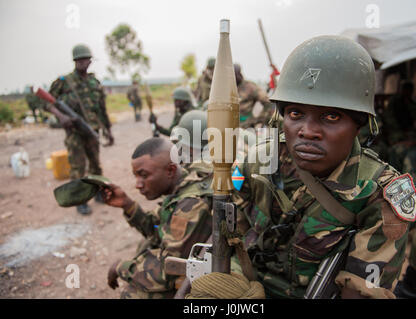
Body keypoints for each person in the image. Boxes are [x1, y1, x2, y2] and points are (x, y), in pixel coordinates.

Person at [189, 35, 416, 299]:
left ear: (360, 125)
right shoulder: (259, 161)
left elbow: (362, 293)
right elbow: (232, 230)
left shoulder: (379, 194)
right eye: (296, 114)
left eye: (331, 116)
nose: (307, 131)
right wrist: (234, 281)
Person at [102, 137, 213, 299]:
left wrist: (120, 267)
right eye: (136, 176)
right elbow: (155, 227)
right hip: (193, 261)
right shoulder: (184, 181)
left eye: (144, 175)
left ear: (170, 171)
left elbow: (167, 269)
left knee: (132, 295)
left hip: (212, 274)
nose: (138, 184)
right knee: (146, 246)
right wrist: (127, 204)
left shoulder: (190, 205)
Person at [47, 44, 114, 215]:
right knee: (78, 167)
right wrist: (61, 117)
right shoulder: (64, 82)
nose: (84, 62)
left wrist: (108, 130)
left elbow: (101, 108)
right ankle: (80, 201)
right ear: (75, 61)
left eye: (87, 59)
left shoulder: (94, 82)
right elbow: (47, 102)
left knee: (95, 165)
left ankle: (98, 193)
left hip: (92, 131)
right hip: (75, 133)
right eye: (81, 59)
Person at [234, 64, 274, 129]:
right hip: (232, 127)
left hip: (247, 126)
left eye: (235, 75)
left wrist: (259, 120)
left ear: (239, 74)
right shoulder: (229, 88)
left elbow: (266, 101)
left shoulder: (250, 87)